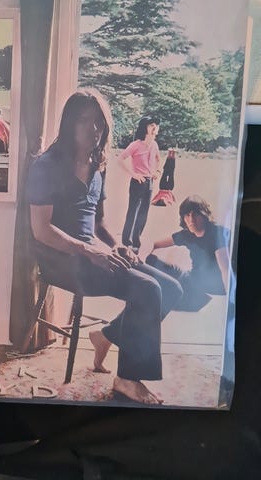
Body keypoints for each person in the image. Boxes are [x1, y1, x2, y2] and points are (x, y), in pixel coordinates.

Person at [26, 91, 183, 405]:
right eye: (84, 120)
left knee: (173, 289)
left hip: (93, 252)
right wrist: (90, 252)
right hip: (61, 258)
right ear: (69, 124)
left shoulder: (98, 162)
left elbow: (98, 222)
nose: (93, 128)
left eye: (99, 121)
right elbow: (41, 230)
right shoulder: (47, 165)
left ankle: (107, 335)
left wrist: (118, 245)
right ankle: (128, 378)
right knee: (148, 290)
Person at [146, 195, 230, 311]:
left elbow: (225, 269)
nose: (191, 219)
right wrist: (140, 255)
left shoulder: (217, 233)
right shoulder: (187, 235)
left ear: (204, 215)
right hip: (191, 279)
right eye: (187, 215)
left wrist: (229, 300)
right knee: (151, 260)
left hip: (208, 288)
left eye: (195, 214)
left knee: (162, 298)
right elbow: (155, 244)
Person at [119, 115, 163, 253]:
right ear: (145, 128)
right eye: (151, 125)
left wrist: (158, 171)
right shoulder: (136, 145)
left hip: (149, 183)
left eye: (156, 125)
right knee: (133, 211)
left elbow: (158, 159)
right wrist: (134, 174)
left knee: (144, 213)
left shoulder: (154, 145)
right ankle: (126, 241)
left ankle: (136, 241)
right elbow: (120, 159)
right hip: (137, 182)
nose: (154, 127)